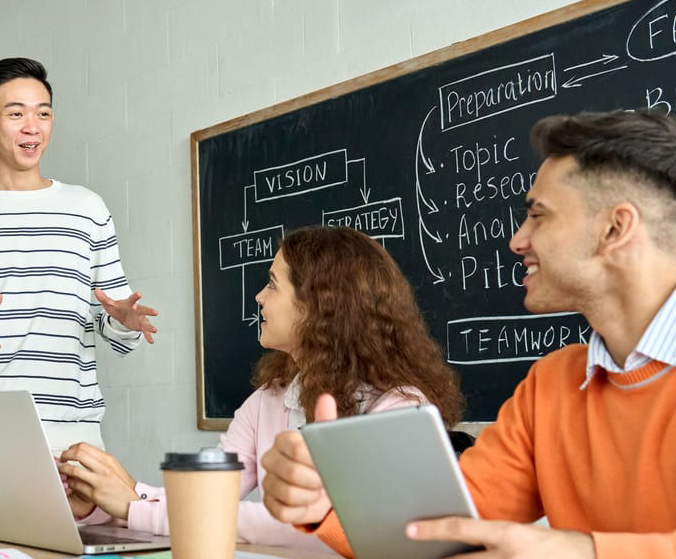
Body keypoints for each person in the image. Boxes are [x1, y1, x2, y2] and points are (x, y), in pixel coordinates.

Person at [260, 108, 676, 558]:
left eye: (539, 214)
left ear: (615, 228)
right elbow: (437, 534)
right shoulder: (552, 385)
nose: (517, 240)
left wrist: (589, 551)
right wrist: (323, 503)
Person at [58, 226, 463, 549]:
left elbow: (313, 527)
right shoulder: (268, 399)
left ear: (319, 305)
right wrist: (102, 501)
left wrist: (132, 505)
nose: (257, 297)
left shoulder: (399, 408)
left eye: (272, 284)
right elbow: (208, 499)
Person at [0, 57, 159, 510]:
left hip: (72, 437)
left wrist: (122, 320)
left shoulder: (87, 209)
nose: (33, 127)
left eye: (43, 113)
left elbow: (120, 337)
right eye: (17, 113)